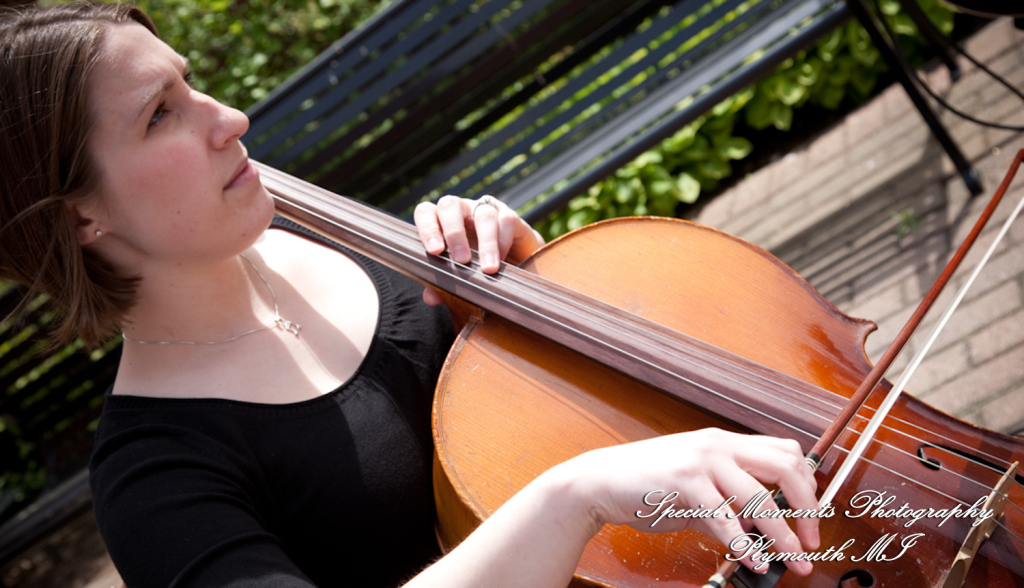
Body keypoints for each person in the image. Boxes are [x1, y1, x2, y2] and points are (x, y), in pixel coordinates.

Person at [0, 3, 820, 587]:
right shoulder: (155, 481)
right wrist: (573, 496)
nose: (232, 118)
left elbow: (514, 428)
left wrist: (528, 291)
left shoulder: (345, 240)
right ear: (79, 215)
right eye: (159, 116)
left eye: (192, 83)